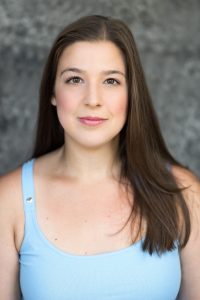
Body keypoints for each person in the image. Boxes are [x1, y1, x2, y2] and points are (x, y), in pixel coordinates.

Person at [0, 14, 199, 300]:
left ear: (132, 93)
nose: (93, 99)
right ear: (53, 93)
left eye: (111, 81)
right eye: (75, 79)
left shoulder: (183, 194)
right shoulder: (9, 200)